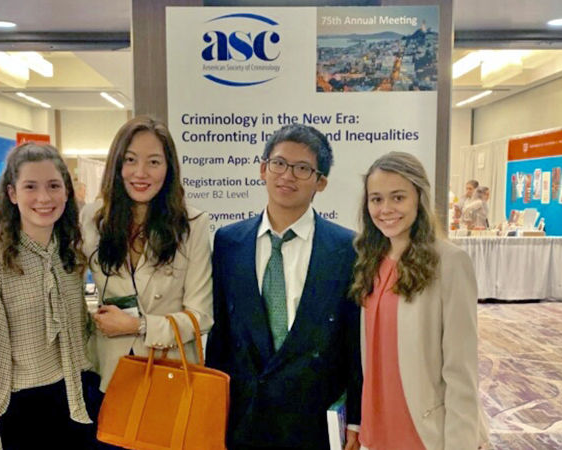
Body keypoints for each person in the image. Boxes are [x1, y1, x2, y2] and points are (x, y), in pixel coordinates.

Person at [206, 123, 362, 450]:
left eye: (303, 168)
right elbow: (220, 337)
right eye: (278, 163)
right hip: (244, 416)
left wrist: (357, 418)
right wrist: (212, 411)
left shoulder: (347, 248)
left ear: (321, 182)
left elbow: (354, 344)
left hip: (313, 417)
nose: (287, 175)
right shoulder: (228, 242)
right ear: (263, 169)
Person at [79, 116, 213, 447]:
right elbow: (57, 268)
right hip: (110, 376)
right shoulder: (92, 220)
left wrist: (137, 325)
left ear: (168, 169)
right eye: (130, 160)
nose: (141, 173)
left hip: (171, 377)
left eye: (154, 162)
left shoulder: (192, 224)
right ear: (116, 165)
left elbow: (201, 315)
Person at [0, 142, 98, 450]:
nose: (44, 198)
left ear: (67, 192)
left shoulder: (71, 258)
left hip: (77, 404)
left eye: (53, 186)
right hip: (22, 415)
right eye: (30, 186)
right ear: (12, 194)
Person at [350, 151, 487, 449]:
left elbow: (460, 369)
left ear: (419, 199)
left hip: (424, 432)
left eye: (398, 197)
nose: (386, 209)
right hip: (375, 431)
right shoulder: (370, 261)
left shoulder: (449, 262)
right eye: (376, 199)